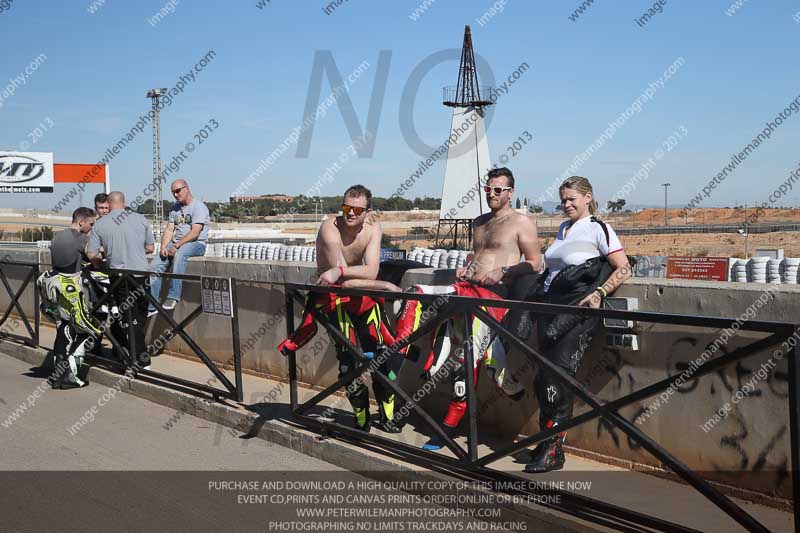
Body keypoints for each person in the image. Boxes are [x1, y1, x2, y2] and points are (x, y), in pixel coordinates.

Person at [395, 167, 543, 451]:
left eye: (498, 190)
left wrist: (504, 270)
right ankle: (400, 352)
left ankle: (447, 430)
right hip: (464, 291)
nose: (491, 194)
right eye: (487, 189)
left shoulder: (521, 222)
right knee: (414, 294)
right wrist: (466, 266)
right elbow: (478, 254)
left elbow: (535, 263)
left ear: (511, 192)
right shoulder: (478, 222)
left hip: (492, 299)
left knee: (465, 362)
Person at [524, 176, 630, 473]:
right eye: (563, 200)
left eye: (572, 199)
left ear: (588, 197)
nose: (566, 204)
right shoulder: (563, 229)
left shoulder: (599, 228)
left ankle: (554, 448)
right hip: (551, 311)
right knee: (544, 378)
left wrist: (599, 293)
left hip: (578, 314)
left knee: (558, 377)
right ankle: (546, 439)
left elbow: (624, 267)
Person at [277, 185, 404, 433]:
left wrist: (341, 271)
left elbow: (369, 271)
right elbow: (346, 283)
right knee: (349, 363)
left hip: (364, 298)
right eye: (346, 207)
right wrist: (384, 284)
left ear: (368, 211)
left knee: (382, 357)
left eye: (357, 209)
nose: (351, 213)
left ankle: (387, 416)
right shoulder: (329, 228)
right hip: (335, 298)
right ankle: (361, 419)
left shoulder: (373, 229)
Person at [87, 192, 155, 369]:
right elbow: (150, 247)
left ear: (109, 205)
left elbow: (92, 254)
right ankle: (135, 353)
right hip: (142, 274)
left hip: (119, 277)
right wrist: (135, 251)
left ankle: (140, 358)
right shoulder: (140, 219)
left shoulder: (100, 224)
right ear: (124, 203)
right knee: (139, 316)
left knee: (129, 317)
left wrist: (102, 260)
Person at [38, 207, 100, 389]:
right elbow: (93, 257)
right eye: (91, 223)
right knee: (83, 331)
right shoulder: (80, 238)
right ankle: (71, 377)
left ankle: (57, 375)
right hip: (70, 290)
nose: (91, 227)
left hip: (53, 289)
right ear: (81, 221)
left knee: (63, 330)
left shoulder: (57, 237)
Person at [149, 179, 209, 314]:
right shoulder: (174, 209)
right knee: (154, 266)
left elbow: (195, 232)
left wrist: (176, 246)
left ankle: (173, 296)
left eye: (178, 191)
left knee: (180, 255)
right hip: (176, 243)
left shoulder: (198, 207)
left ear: (186, 188)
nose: (176, 195)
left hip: (196, 243)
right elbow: (169, 230)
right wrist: (164, 247)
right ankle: (152, 304)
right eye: (173, 192)